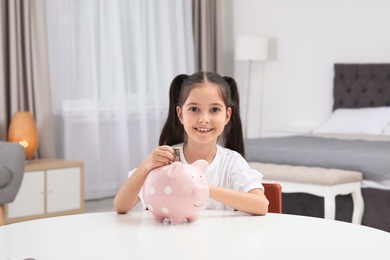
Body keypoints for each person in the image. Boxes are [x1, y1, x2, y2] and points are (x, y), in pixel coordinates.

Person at [114, 71, 269, 215]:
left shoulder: (231, 162)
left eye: (214, 110)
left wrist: (201, 188)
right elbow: (121, 206)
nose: (204, 119)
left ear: (227, 115)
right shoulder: (167, 159)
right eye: (194, 109)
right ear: (180, 114)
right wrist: (147, 165)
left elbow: (261, 205)